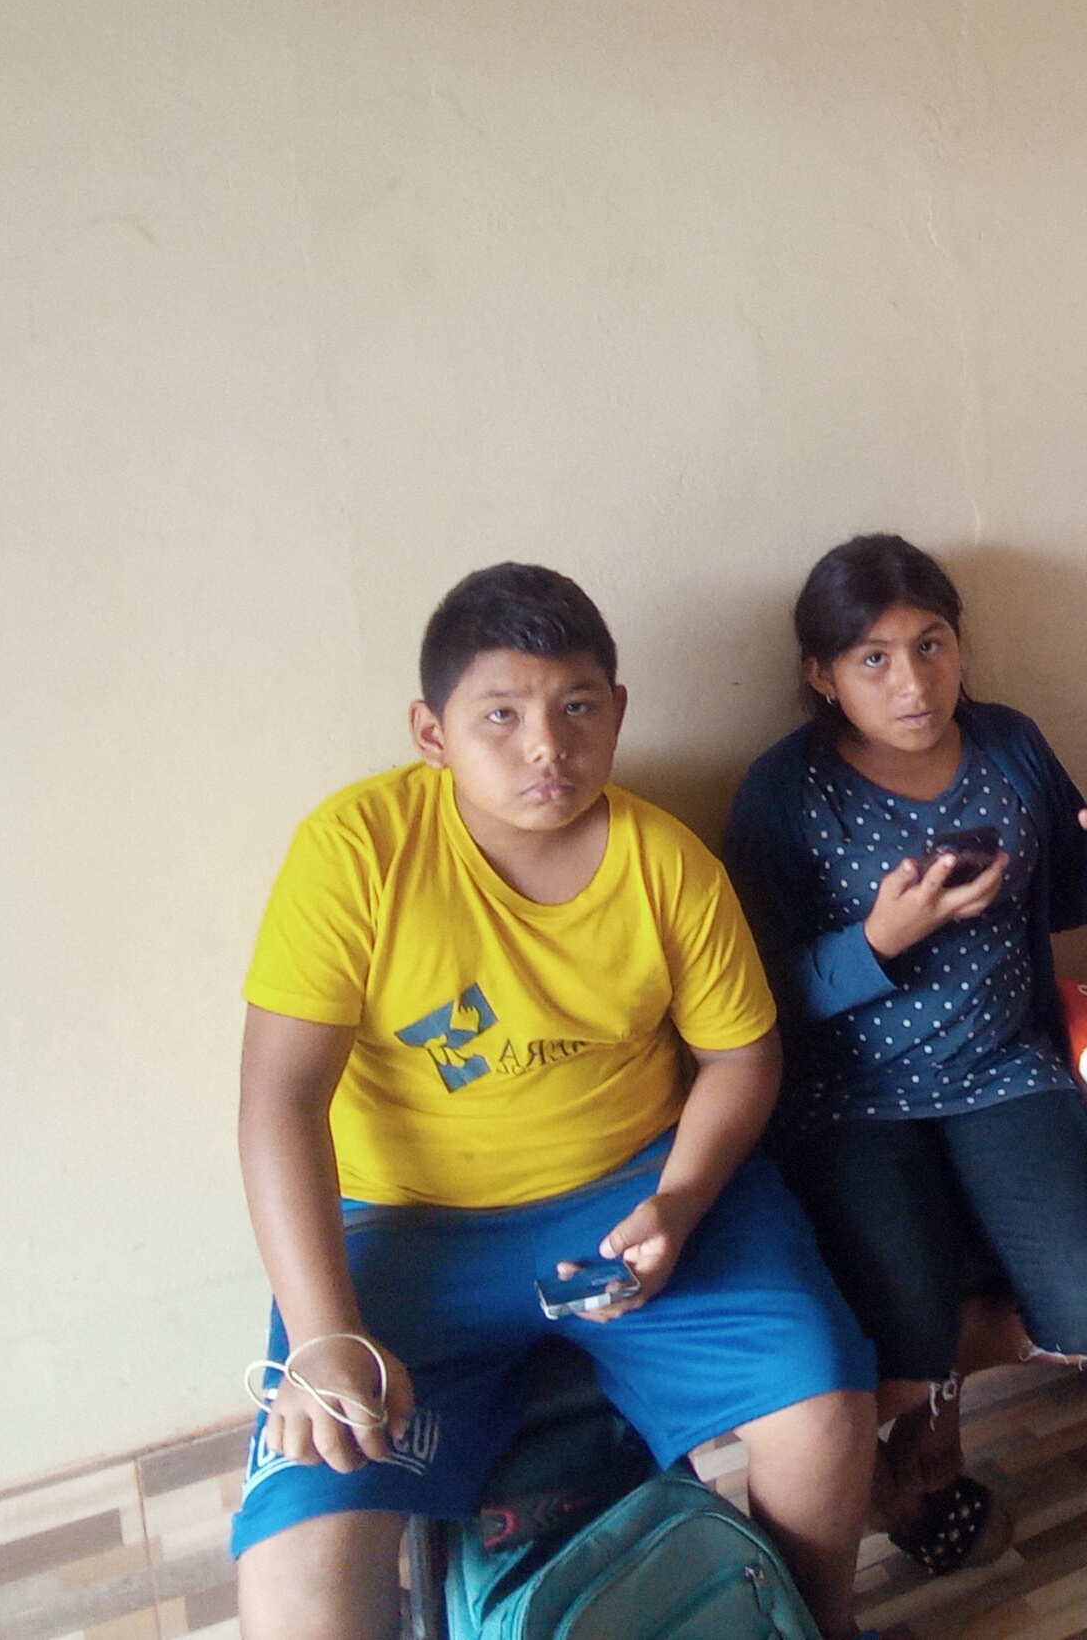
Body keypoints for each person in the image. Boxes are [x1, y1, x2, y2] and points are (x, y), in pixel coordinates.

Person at [231, 565, 880, 1640]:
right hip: (406, 1229)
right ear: (432, 733)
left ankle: (816, 1624)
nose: (547, 747)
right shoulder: (356, 852)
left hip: (631, 1194)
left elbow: (740, 1059)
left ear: (616, 712)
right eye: (501, 715)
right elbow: (278, 1100)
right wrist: (321, 1333)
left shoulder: (666, 864)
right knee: (299, 1572)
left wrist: (680, 1203)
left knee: (821, 1415)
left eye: (577, 708)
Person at [722, 534, 1087, 1576]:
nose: (912, 682)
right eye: (871, 658)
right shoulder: (785, 790)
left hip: (1004, 1068)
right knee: (896, 1333)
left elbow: (1069, 887)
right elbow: (745, 998)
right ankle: (915, 1407)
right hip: (849, 1096)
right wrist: (878, 941)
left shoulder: (1007, 745)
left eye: (930, 645)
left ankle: (929, 1379)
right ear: (821, 675)